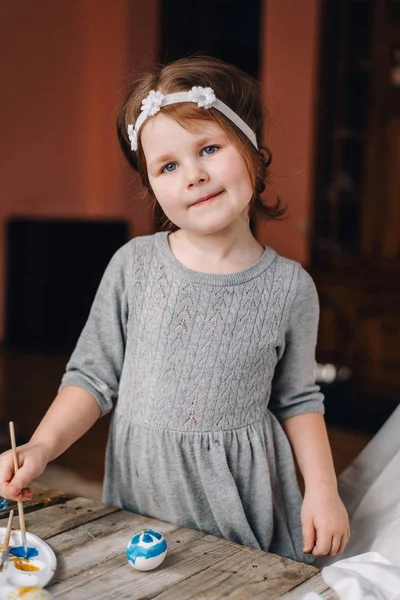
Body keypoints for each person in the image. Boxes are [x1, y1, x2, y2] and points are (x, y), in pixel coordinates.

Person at [0, 56, 349, 563]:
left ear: (251, 149)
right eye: (168, 165)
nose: (194, 175)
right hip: (141, 496)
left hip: (237, 505)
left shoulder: (290, 287)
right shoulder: (133, 266)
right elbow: (93, 378)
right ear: (153, 188)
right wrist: (42, 447)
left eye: (209, 148)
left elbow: (297, 400)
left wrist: (323, 489)